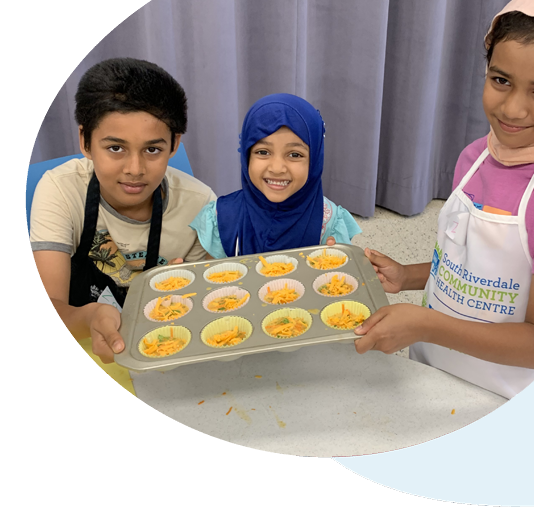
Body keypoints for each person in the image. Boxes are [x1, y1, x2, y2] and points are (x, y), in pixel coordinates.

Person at [354, 0, 534, 399]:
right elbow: (469, 263)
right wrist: (407, 276)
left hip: (502, 396)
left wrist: (424, 323)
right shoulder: (478, 155)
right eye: (501, 80)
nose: (512, 109)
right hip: (431, 370)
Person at [31, 58, 217, 365]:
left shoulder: (199, 205)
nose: (135, 169)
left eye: (152, 150)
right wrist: (89, 317)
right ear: (85, 142)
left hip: (165, 350)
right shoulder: (61, 191)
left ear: (174, 145)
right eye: (115, 148)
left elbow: (205, 311)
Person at [189, 93, 362, 258]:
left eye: (295, 155)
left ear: (315, 160)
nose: (277, 168)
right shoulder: (221, 217)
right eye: (263, 152)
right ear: (247, 156)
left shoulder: (330, 222)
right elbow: (213, 280)